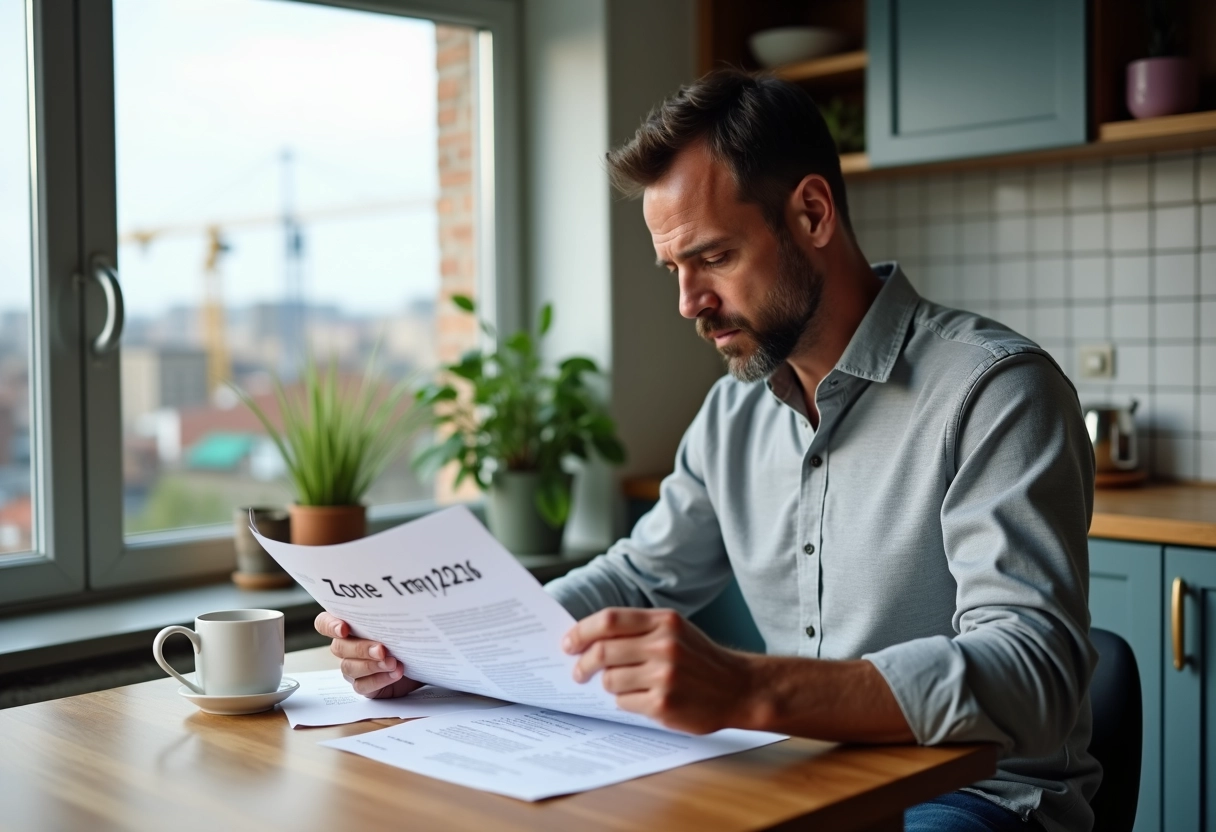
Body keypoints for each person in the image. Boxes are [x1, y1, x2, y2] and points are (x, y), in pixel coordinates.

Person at [316, 69, 1099, 832]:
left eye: (715, 258)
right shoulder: (734, 411)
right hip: (801, 775)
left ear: (813, 214)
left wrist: (747, 688)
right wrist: (445, 646)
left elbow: (1036, 674)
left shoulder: (995, 391)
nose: (690, 302)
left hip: (975, 794)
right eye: (675, 269)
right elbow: (639, 575)